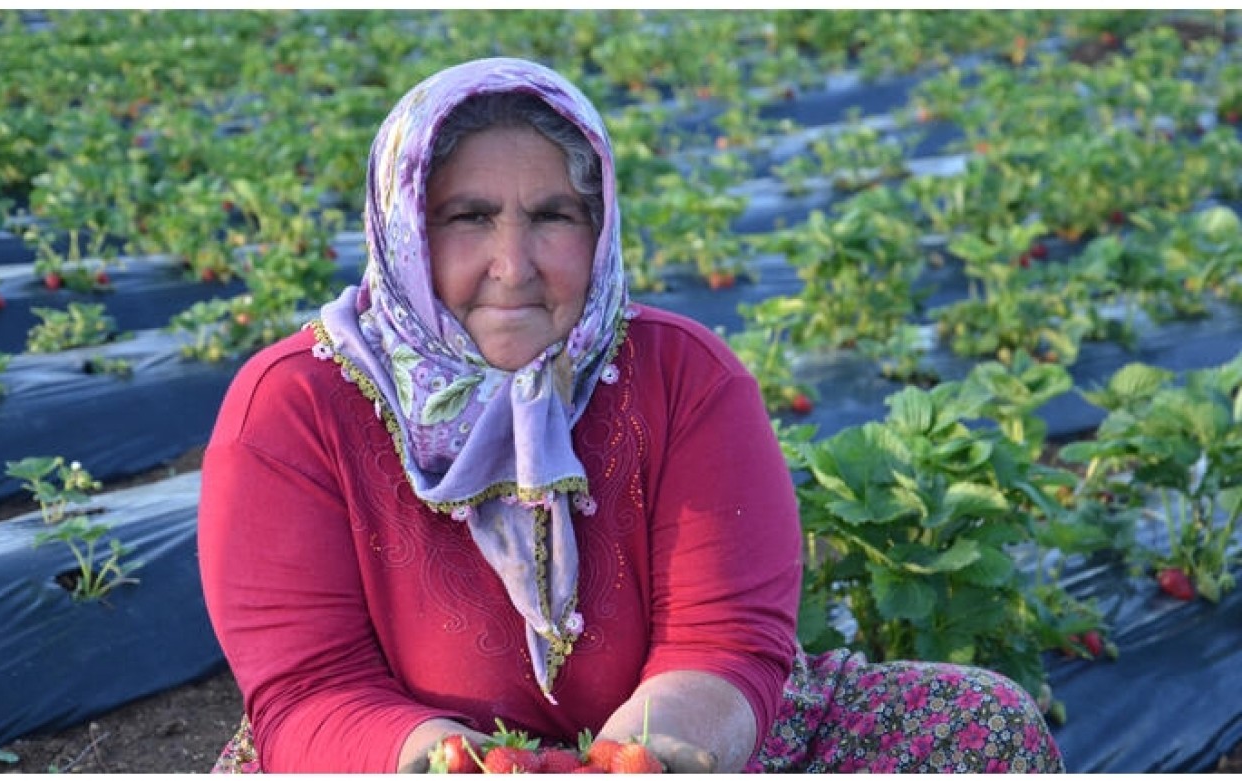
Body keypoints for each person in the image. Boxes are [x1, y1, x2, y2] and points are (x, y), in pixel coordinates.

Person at [197, 57, 1064, 774]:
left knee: (981, 723)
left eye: (552, 216)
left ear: (600, 225)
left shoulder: (681, 377)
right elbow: (312, 687)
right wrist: (445, 762)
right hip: (399, 756)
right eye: (468, 217)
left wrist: (652, 755)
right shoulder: (297, 406)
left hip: (677, 744)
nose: (513, 264)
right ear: (405, 229)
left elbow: (723, 641)